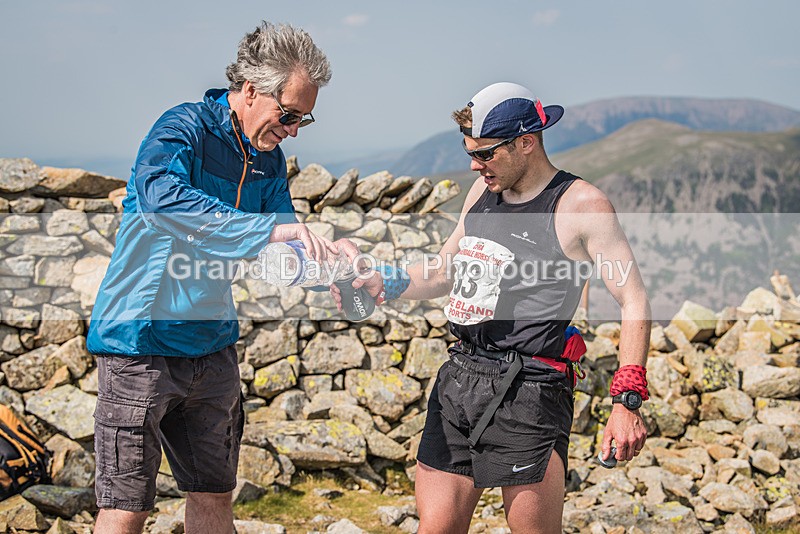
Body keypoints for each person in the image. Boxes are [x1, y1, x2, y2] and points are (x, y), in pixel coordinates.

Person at [338, 82, 651, 533]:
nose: (474, 164)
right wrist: (381, 280)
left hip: (531, 389)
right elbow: (445, 271)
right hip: (460, 378)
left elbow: (634, 298)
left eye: (485, 153)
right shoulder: (482, 194)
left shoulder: (582, 206)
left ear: (527, 142)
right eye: (470, 152)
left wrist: (626, 401)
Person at [86, 22, 334, 534]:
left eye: (302, 121)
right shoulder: (181, 129)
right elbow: (161, 201)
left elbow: (283, 244)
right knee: (127, 507)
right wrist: (265, 232)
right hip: (140, 342)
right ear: (249, 90)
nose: (290, 130)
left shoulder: (270, 161)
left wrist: (333, 259)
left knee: (215, 499)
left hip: (212, 345)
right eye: (287, 115)